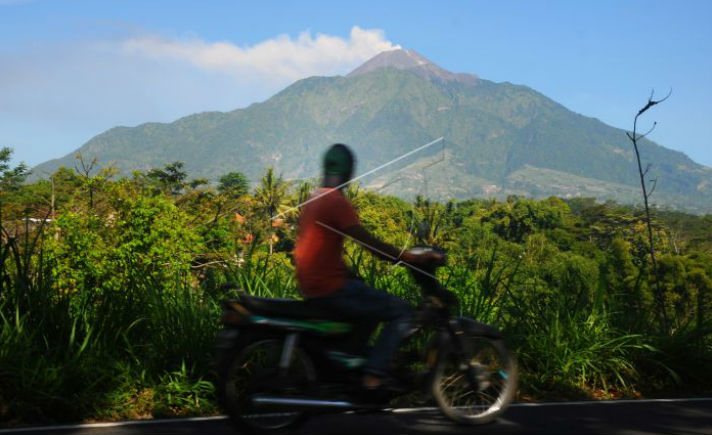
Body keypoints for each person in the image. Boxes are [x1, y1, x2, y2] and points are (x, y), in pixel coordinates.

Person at [294, 143, 439, 390]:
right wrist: (408, 257)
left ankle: (353, 362)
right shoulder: (335, 201)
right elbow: (369, 244)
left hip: (312, 286)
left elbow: (320, 250)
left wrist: (350, 273)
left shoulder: (313, 199)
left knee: (365, 297)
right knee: (402, 312)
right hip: (330, 288)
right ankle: (374, 375)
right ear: (350, 172)